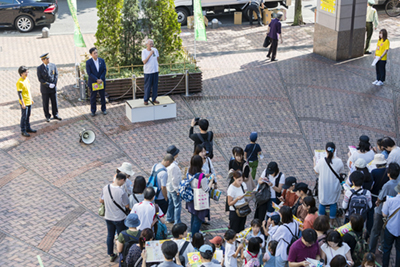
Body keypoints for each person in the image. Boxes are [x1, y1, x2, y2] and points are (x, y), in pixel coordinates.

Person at [369, 162, 400, 253]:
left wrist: (377, 202)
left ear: (389, 173)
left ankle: (371, 250)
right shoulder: (398, 183)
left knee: (375, 231)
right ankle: (382, 247)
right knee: (384, 229)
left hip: (382, 210)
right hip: (392, 211)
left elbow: (380, 198)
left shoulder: (387, 185)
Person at [100, 173, 129, 262]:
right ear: (122, 180)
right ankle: (122, 255)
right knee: (121, 236)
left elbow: (101, 200)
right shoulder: (121, 191)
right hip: (119, 218)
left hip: (108, 217)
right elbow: (126, 205)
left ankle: (111, 254)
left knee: (110, 235)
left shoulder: (106, 188)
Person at [314, 142, 344, 225]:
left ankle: (321, 221)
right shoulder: (339, 161)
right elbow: (340, 171)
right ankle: (331, 222)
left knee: (322, 203)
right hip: (334, 186)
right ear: (334, 150)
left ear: (325, 150)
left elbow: (316, 171)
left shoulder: (321, 160)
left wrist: (314, 161)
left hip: (323, 186)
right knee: (333, 203)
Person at [186, 155, 214, 234]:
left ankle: (192, 233)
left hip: (191, 198)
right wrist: (211, 181)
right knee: (197, 220)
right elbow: (206, 189)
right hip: (199, 200)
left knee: (193, 217)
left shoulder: (189, 171)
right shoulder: (202, 177)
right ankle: (195, 235)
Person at [36, 53, 61, 122]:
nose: (48, 60)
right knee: (46, 103)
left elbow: (56, 75)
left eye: (48, 58)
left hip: (53, 87)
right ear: (43, 60)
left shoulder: (53, 65)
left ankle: (55, 114)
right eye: (46, 59)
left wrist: (54, 83)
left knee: (54, 102)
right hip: (45, 89)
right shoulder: (39, 68)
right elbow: (40, 79)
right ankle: (47, 116)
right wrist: (48, 84)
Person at [381, 181, 400, 267]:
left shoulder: (390, 200)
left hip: (390, 228)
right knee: (399, 251)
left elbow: (384, 214)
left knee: (386, 249)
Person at [86, 47, 107, 116]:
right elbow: (89, 73)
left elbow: (104, 70)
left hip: (101, 81)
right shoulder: (88, 62)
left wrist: (101, 78)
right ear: (91, 54)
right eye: (94, 53)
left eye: (96, 52)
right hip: (93, 82)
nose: (96, 54)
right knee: (93, 97)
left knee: (102, 96)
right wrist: (96, 79)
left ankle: (103, 109)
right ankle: (93, 111)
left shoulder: (101, 60)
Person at [16, 66, 36, 137]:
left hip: (28, 101)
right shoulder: (19, 82)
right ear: (21, 73)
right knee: (24, 116)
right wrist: (23, 103)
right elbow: (19, 93)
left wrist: (31, 99)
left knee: (28, 115)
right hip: (24, 102)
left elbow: (28, 90)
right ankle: (23, 130)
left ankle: (28, 128)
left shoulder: (26, 79)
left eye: (27, 72)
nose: (27, 73)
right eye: (25, 72)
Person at [166, 145, 182, 224]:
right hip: (174, 188)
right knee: (177, 205)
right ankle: (177, 221)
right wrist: (177, 189)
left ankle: (169, 218)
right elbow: (175, 179)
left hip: (169, 187)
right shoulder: (174, 167)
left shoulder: (169, 164)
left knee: (170, 203)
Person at [142, 39, 160, 105]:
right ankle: (146, 99)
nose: (151, 45)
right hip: (148, 71)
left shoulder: (155, 50)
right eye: (150, 44)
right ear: (146, 45)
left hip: (155, 70)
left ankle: (154, 98)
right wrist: (150, 54)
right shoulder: (144, 52)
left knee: (155, 86)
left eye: (152, 44)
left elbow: (157, 58)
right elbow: (144, 61)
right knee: (148, 86)